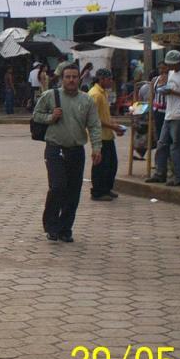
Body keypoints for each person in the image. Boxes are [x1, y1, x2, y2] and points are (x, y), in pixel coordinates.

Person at [32, 64, 102, 243]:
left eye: (74, 77)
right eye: (68, 77)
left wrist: (97, 147)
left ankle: (65, 229)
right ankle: (51, 226)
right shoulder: (50, 96)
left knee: (73, 192)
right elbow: (36, 115)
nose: (71, 80)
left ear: (79, 79)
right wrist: (50, 117)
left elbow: (94, 126)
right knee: (57, 187)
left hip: (76, 151)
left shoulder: (86, 100)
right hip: (55, 149)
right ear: (62, 79)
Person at [146, 50, 180, 186]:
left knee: (177, 147)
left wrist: (173, 92)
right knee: (162, 144)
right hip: (169, 113)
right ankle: (160, 173)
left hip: (179, 114)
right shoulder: (171, 73)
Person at [88, 69, 124, 201]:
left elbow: (105, 114)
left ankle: (106, 189)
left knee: (111, 164)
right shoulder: (95, 94)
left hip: (107, 134)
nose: (111, 82)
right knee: (100, 165)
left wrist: (115, 126)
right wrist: (113, 126)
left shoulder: (103, 93)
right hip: (99, 135)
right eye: (109, 79)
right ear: (101, 79)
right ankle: (97, 191)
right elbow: (94, 118)